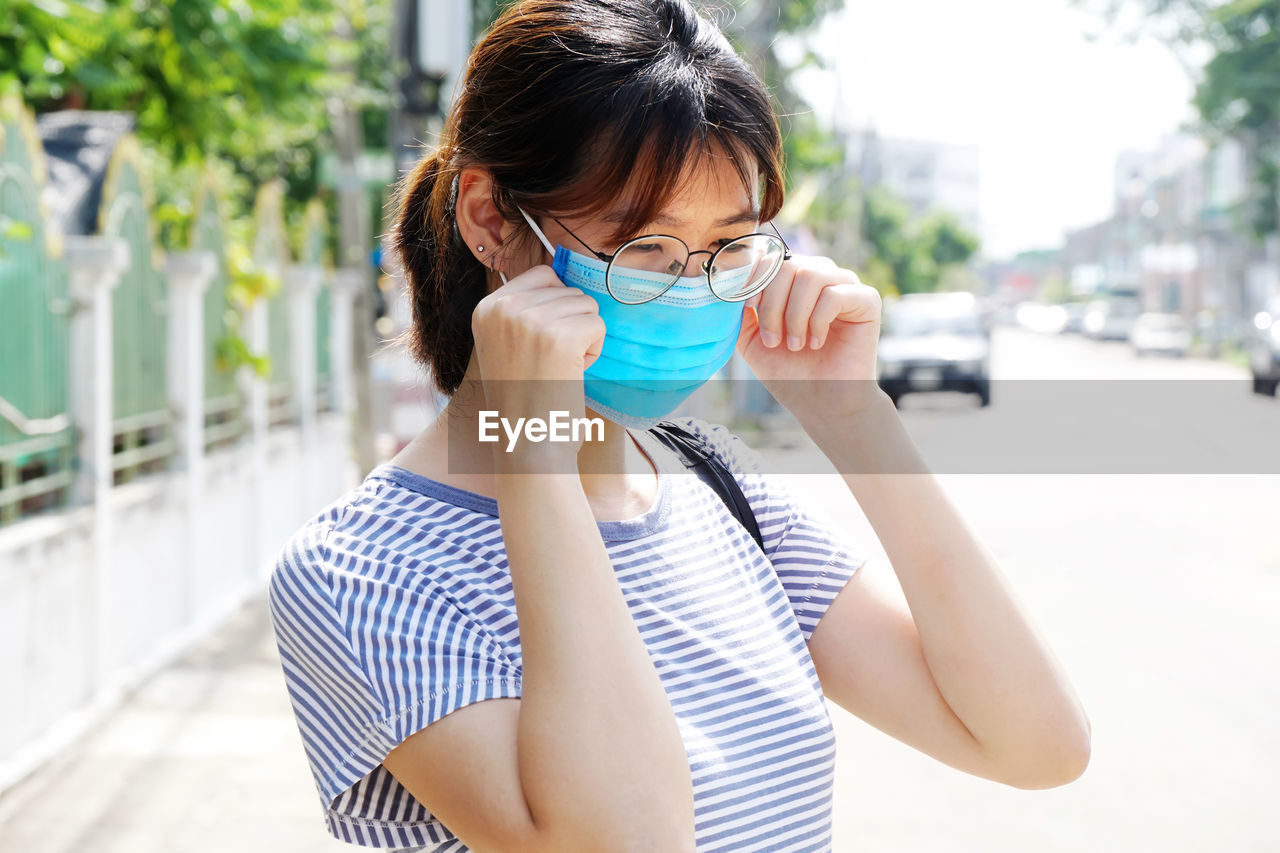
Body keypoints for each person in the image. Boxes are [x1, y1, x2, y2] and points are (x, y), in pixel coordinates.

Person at [266, 0, 1092, 850]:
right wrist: (536, 452)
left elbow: (1033, 744)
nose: (687, 289)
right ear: (489, 217)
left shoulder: (716, 490)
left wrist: (856, 421)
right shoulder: (365, 572)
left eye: (726, 249)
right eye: (643, 249)